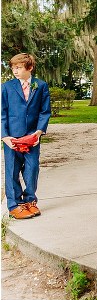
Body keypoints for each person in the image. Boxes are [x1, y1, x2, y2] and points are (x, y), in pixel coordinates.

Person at [1, 53, 51, 220]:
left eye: (19, 67)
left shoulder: (41, 85)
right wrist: (4, 136)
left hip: (32, 136)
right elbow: (2, 113)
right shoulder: (6, 87)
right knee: (12, 171)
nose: (15, 70)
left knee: (32, 169)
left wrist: (39, 132)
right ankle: (15, 205)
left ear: (29, 68)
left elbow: (45, 111)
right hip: (12, 139)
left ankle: (30, 200)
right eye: (13, 67)